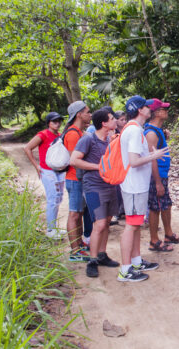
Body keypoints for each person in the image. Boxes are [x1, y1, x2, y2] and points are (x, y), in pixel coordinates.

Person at [117, 96, 169, 282]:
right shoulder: (132, 130)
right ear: (140, 109)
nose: (150, 109)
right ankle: (125, 270)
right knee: (131, 226)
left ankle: (136, 261)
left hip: (138, 185)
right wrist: (153, 155)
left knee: (136, 225)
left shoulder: (136, 129)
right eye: (147, 107)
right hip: (132, 186)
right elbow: (133, 161)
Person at [70, 108, 121, 278]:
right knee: (98, 224)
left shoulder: (110, 140)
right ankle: (92, 260)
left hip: (110, 185)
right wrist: (98, 167)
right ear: (104, 123)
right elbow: (74, 160)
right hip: (93, 186)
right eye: (112, 118)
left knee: (106, 222)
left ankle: (102, 254)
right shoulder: (88, 139)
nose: (116, 121)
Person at [144, 98, 179, 252]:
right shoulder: (151, 133)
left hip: (162, 175)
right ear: (155, 113)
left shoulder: (157, 130)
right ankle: (154, 240)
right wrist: (157, 182)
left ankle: (168, 234)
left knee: (166, 204)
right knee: (155, 207)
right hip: (156, 176)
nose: (166, 111)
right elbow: (152, 159)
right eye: (163, 109)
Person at [23, 112, 66, 239]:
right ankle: (50, 229)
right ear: (48, 123)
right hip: (47, 171)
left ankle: (54, 227)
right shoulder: (43, 135)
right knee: (52, 199)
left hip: (58, 171)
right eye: (54, 121)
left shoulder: (59, 135)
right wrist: (36, 166)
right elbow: (27, 148)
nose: (57, 123)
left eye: (59, 121)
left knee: (58, 199)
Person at [64, 101, 92, 262]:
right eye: (87, 112)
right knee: (74, 214)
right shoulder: (73, 134)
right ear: (79, 114)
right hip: (75, 179)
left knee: (79, 213)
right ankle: (75, 250)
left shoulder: (80, 133)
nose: (90, 115)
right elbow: (74, 160)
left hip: (79, 179)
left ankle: (79, 244)